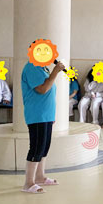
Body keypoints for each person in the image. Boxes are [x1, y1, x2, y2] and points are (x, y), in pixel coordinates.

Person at [21, 58, 66, 194]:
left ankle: (40, 177)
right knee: (36, 147)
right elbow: (43, 89)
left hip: (46, 115)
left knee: (44, 147)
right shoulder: (31, 67)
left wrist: (51, 115)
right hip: (37, 114)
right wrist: (55, 71)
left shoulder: (43, 68)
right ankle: (28, 183)